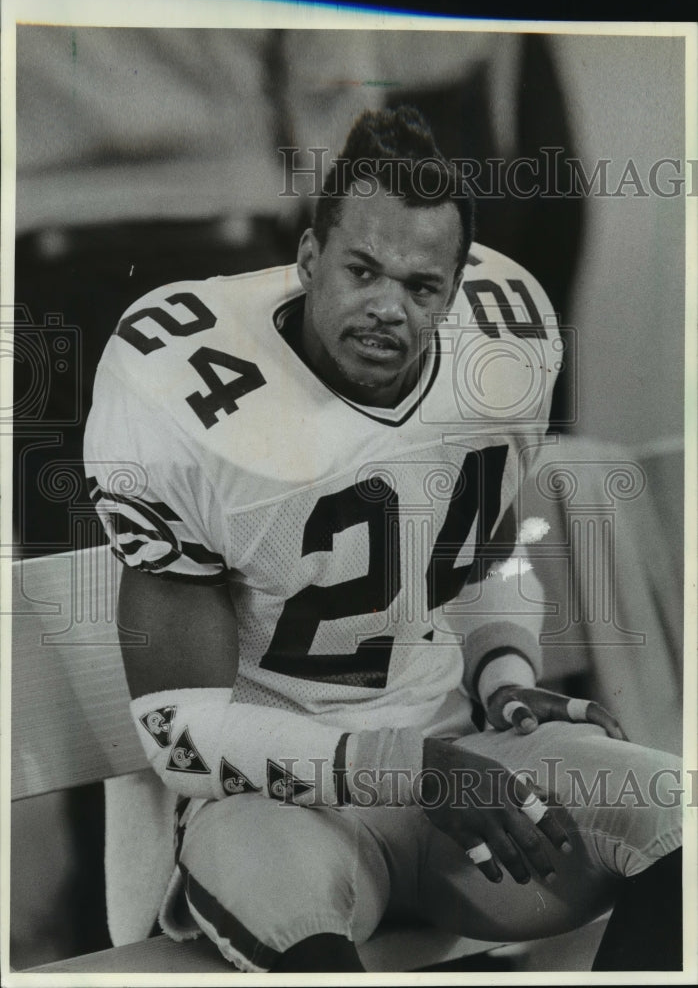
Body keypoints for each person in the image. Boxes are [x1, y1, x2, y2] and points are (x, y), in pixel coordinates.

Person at [83, 106, 682, 973]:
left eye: (420, 286)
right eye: (362, 270)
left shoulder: (496, 354)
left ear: (456, 287)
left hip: (455, 757)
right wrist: (416, 769)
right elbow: (184, 733)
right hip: (274, 804)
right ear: (307, 261)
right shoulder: (183, 392)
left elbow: (488, 545)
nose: (386, 308)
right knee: (290, 917)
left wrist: (505, 676)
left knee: (673, 813)